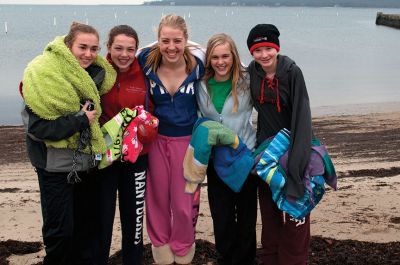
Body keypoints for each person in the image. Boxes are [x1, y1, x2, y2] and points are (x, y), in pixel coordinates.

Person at [20, 22, 116, 264]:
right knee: (60, 232)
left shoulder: (94, 77)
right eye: (82, 47)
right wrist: (79, 120)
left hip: (87, 164)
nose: (88, 54)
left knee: (85, 228)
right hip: (54, 167)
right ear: (67, 46)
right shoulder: (44, 76)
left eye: (94, 49)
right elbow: (38, 128)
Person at [137, 14, 204, 265]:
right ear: (157, 41)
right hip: (154, 141)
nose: (171, 47)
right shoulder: (145, 61)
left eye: (177, 40)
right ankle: (160, 243)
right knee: (155, 197)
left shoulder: (198, 64)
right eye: (165, 41)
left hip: (188, 142)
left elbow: (229, 67)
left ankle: (184, 242)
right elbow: (120, 61)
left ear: (186, 40)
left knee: (185, 199)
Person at [247, 24, 313, 265]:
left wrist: (298, 163)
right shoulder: (252, 72)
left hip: (294, 152)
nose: (264, 54)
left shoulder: (292, 73)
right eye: (257, 50)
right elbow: (219, 62)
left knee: (296, 216)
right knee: (270, 216)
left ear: (277, 48)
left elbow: (302, 117)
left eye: (268, 48)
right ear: (251, 53)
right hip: (266, 155)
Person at [94, 24, 155, 265]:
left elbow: (154, 111)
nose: (124, 54)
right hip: (104, 158)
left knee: (134, 220)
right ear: (108, 47)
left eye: (130, 49)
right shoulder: (97, 71)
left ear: (137, 50)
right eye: (118, 48)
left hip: (137, 157)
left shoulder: (146, 73)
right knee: (101, 219)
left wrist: (148, 130)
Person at [195, 33, 257, 265]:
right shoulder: (200, 84)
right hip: (216, 161)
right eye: (215, 57)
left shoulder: (247, 81)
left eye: (225, 56)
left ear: (234, 57)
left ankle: (247, 259)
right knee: (221, 216)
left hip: (245, 157)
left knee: (247, 215)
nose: (221, 62)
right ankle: (227, 258)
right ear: (208, 59)